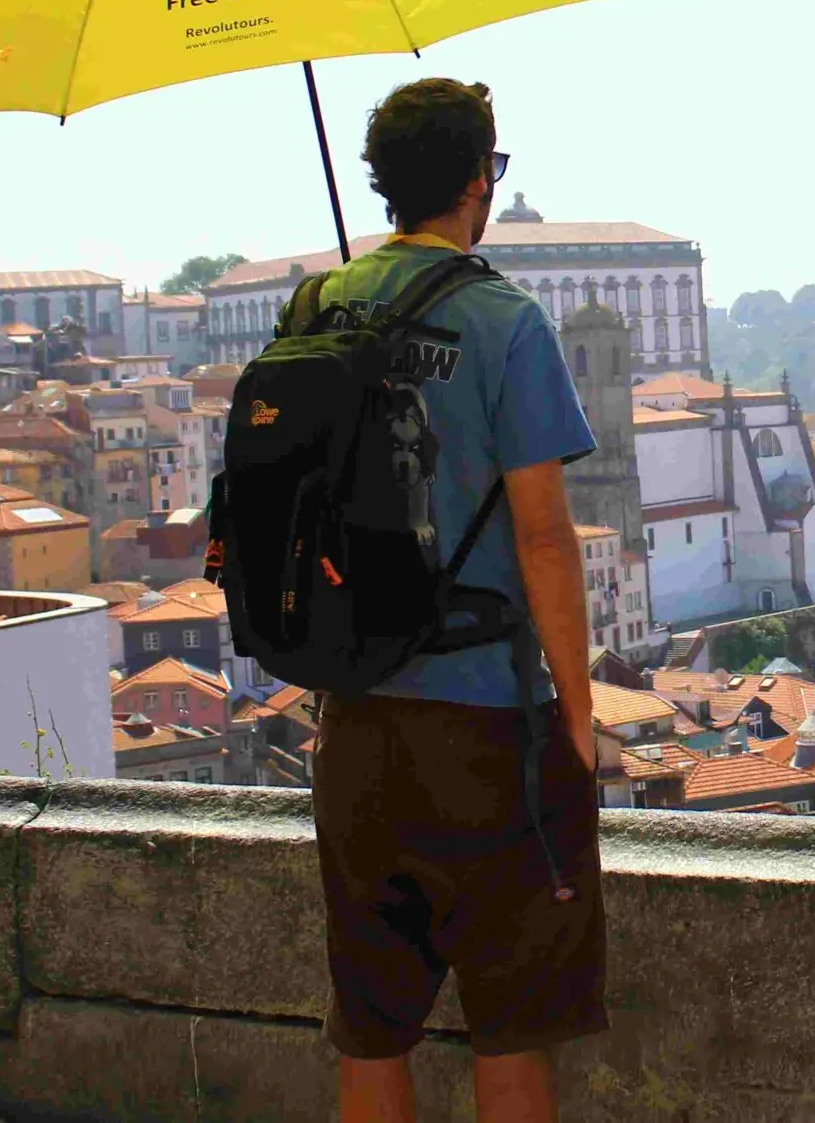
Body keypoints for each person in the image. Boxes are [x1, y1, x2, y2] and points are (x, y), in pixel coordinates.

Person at [301, 77, 604, 1123]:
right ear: (479, 180)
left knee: (371, 1038)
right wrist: (577, 709)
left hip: (355, 722)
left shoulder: (320, 307)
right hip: (487, 728)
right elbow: (544, 538)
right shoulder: (502, 320)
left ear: (384, 183)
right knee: (511, 1037)